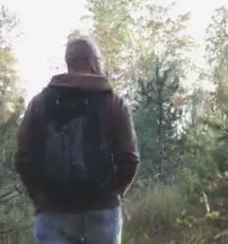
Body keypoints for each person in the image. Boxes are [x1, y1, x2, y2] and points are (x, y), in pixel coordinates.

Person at [14, 37, 139, 244]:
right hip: (102, 210)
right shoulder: (114, 103)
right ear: (92, 61)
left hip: (53, 210)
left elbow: (23, 157)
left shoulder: (39, 103)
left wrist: (39, 198)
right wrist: (113, 194)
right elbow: (130, 159)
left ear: (69, 62)